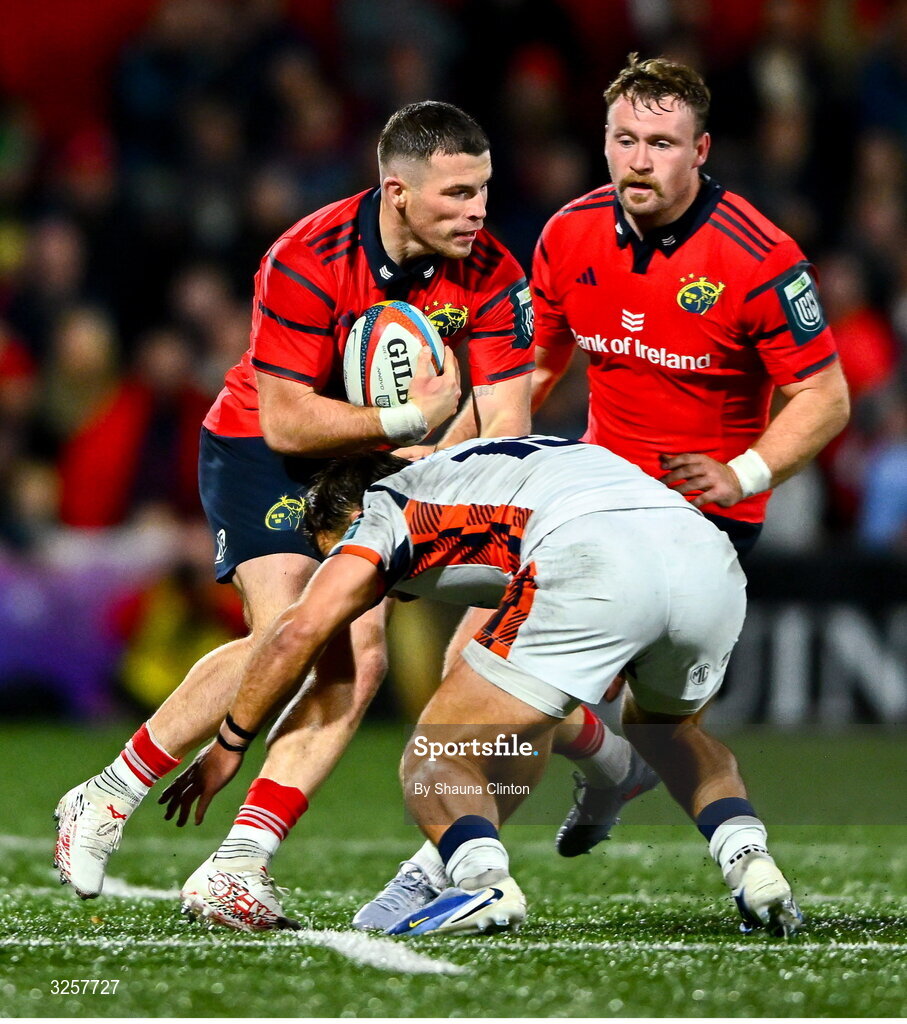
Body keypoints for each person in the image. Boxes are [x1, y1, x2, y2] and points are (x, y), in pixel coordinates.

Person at [351, 50, 852, 920]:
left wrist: (741, 472)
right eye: (623, 139)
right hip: (583, 512)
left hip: (702, 526)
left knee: (497, 699)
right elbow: (531, 368)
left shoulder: (759, 257)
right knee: (589, 705)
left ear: (702, 150)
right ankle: (678, 819)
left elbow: (825, 395)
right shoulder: (569, 235)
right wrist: (456, 454)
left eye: (661, 142)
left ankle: (463, 863)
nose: (638, 160)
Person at [52, 101, 534, 900]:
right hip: (264, 448)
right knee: (290, 632)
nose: (476, 211)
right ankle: (106, 796)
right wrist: (408, 420)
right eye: (455, 194)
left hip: (390, 461)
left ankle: (238, 866)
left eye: (481, 190)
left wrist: (427, 470)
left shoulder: (492, 269)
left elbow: (506, 418)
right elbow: (284, 416)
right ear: (397, 193)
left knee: (362, 657)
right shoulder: (307, 255)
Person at [174, 437, 801, 938]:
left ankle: (481, 882)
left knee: (436, 755)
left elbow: (295, 634)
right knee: (669, 733)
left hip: (591, 556)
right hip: (705, 557)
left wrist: (229, 744)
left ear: (350, 518)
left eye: (329, 552)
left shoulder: (382, 508)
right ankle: (751, 861)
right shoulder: (483, 465)